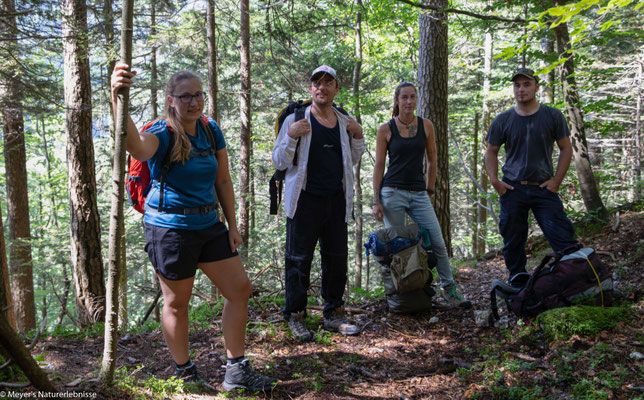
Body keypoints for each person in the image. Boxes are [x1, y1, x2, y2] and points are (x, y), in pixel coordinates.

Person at [110, 63, 275, 391]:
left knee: (239, 289)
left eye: (198, 95)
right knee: (177, 303)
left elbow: (223, 179)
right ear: (171, 100)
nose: (193, 102)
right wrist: (118, 97)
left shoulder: (210, 129)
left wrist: (232, 224)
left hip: (208, 223)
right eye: (185, 96)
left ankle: (236, 370)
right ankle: (185, 373)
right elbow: (135, 147)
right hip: (169, 230)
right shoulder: (162, 132)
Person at [272, 65, 366, 341]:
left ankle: (334, 312)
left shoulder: (343, 120)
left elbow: (352, 159)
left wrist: (358, 134)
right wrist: (291, 136)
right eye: (317, 83)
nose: (322, 87)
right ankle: (296, 315)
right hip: (304, 200)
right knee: (298, 259)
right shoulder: (295, 119)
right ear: (310, 88)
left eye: (328, 82)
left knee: (336, 258)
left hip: (336, 200)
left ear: (337, 89)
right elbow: (279, 161)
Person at [372, 81, 471, 309]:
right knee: (399, 248)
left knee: (437, 242)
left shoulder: (426, 125)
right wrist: (376, 201)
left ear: (417, 99)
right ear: (397, 101)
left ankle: (450, 290)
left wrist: (429, 189)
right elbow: (378, 166)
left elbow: (432, 159)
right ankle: (401, 296)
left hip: (418, 193)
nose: (408, 101)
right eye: (404, 97)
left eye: (412, 97)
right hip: (392, 193)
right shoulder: (385, 129)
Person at [485, 68, 580, 288]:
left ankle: (575, 280)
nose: (521, 89)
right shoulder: (503, 120)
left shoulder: (552, 115)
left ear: (536, 86)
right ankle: (518, 284)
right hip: (512, 189)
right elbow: (491, 151)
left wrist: (556, 181)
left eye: (526, 84)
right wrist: (495, 181)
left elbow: (566, 148)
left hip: (543, 189)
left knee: (562, 236)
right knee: (513, 241)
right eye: (517, 85)